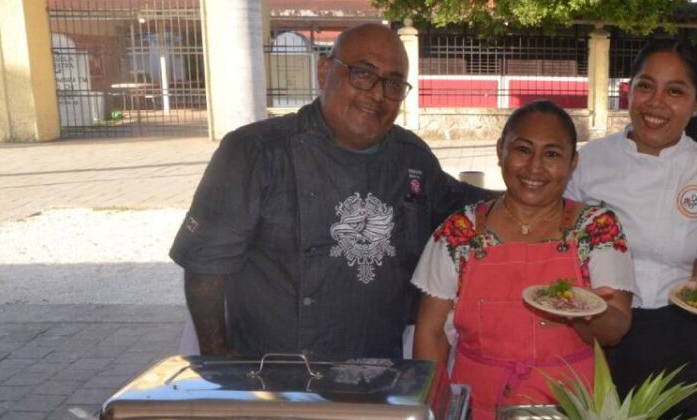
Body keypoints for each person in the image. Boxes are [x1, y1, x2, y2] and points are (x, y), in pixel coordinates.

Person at [170, 24, 486, 360]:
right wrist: (218, 358)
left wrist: (533, 192)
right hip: (274, 377)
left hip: (379, 372)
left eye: (393, 84)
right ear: (325, 72)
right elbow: (206, 266)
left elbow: (460, 202)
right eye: (363, 74)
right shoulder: (255, 151)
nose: (377, 94)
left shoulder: (411, 156)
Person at [412, 100, 635, 420]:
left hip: (573, 417)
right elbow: (431, 334)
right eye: (522, 150)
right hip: (478, 416)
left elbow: (616, 330)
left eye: (552, 154)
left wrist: (586, 312)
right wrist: (432, 419)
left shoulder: (597, 230)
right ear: (501, 151)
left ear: (572, 163)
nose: (534, 167)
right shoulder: (460, 233)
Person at [567, 39, 697, 420]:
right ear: (629, 89)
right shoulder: (590, 162)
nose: (656, 103)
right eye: (646, 86)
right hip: (597, 336)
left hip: (682, 343)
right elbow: (562, 251)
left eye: (675, 91)